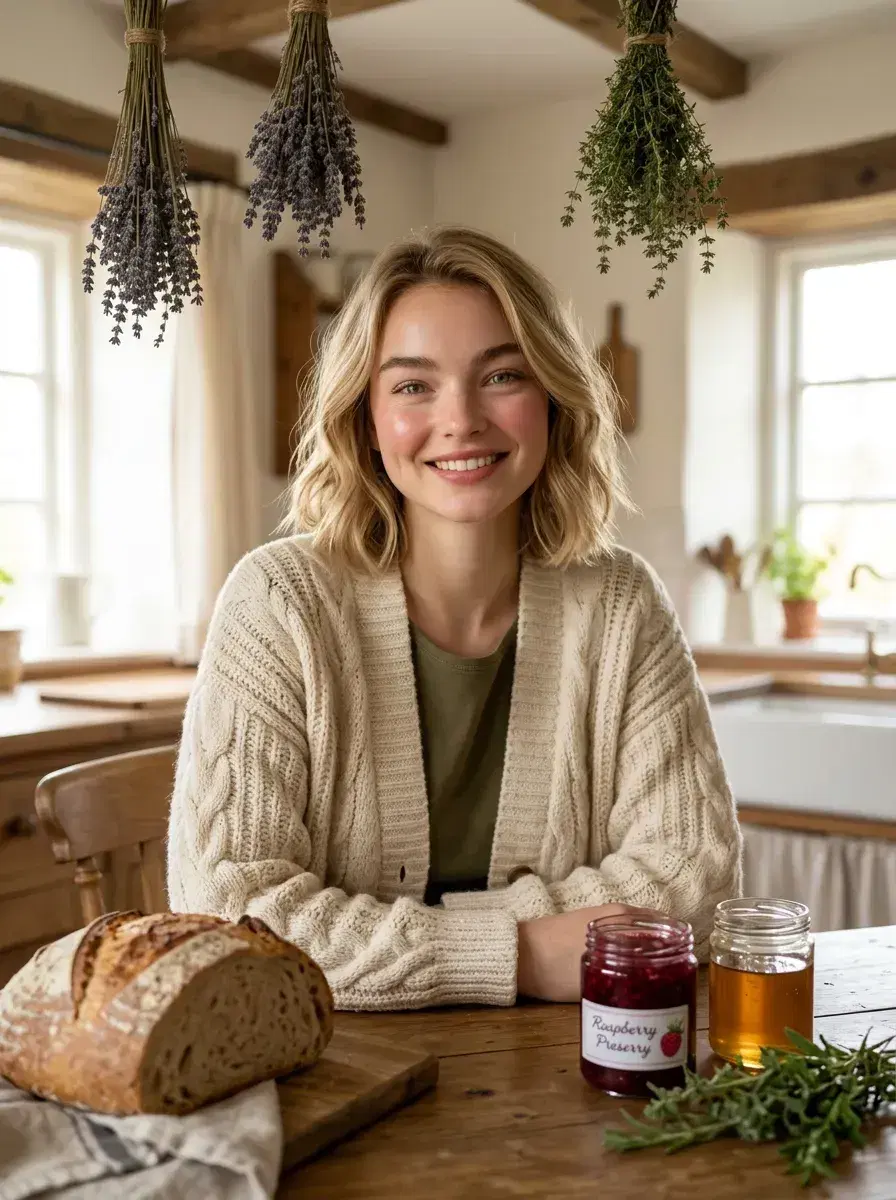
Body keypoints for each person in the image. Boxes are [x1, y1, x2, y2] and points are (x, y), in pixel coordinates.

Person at [167, 225, 742, 1012]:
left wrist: (395, 945)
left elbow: (695, 884)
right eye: (412, 385)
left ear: (551, 398)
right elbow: (227, 917)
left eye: (501, 375)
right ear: (366, 417)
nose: (462, 419)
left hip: (570, 1067)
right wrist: (525, 954)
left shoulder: (621, 604)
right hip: (336, 1071)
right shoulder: (278, 603)